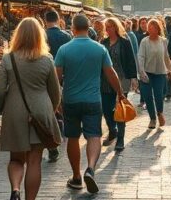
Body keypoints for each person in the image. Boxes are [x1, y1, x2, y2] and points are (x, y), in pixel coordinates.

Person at [0, 18, 62, 200]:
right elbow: (56, 92)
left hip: (14, 113)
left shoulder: (8, 59)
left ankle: (15, 190)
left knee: (16, 158)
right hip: (41, 110)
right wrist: (49, 112)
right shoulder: (47, 60)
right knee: (35, 160)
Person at [54, 14, 126, 194]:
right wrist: (120, 92)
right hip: (93, 100)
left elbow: (57, 78)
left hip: (70, 100)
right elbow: (111, 74)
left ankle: (76, 177)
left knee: (72, 137)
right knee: (94, 135)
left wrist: (56, 100)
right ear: (89, 28)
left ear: (73, 28)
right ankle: (91, 169)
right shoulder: (100, 49)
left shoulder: (64, 49)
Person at [100, 18, 138, 151]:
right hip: (105, 80)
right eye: (106, 27)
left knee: (120, 109)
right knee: (106, 109)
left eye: (110, 26)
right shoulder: (103, 43)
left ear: (116, 27)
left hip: (122, 79)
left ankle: (120, 139)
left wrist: (134, 77)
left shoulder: (125, 42)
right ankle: (112, 130)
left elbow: (131, 60)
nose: (108, 29)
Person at [42, 9, 71, 162]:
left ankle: (52, 134)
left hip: (45, 77)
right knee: (60, 103)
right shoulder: (67, 36)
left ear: (45, 20)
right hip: (63, 76)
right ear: (59, 19)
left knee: (49, 106)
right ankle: (63, 130)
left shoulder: (42, 35)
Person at [137, 19, 171, 128]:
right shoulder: (144, 41)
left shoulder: (163, 41)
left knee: (159, 95)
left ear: (158, 29)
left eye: (154, 28)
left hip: (160, 72)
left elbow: (166, 57)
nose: (151, 30)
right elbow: (141, 57)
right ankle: (152, 118)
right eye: (150, 28)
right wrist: (142, 71)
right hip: (147, 73)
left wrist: (170, 71)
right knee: (148, 96)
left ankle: (159, 113)